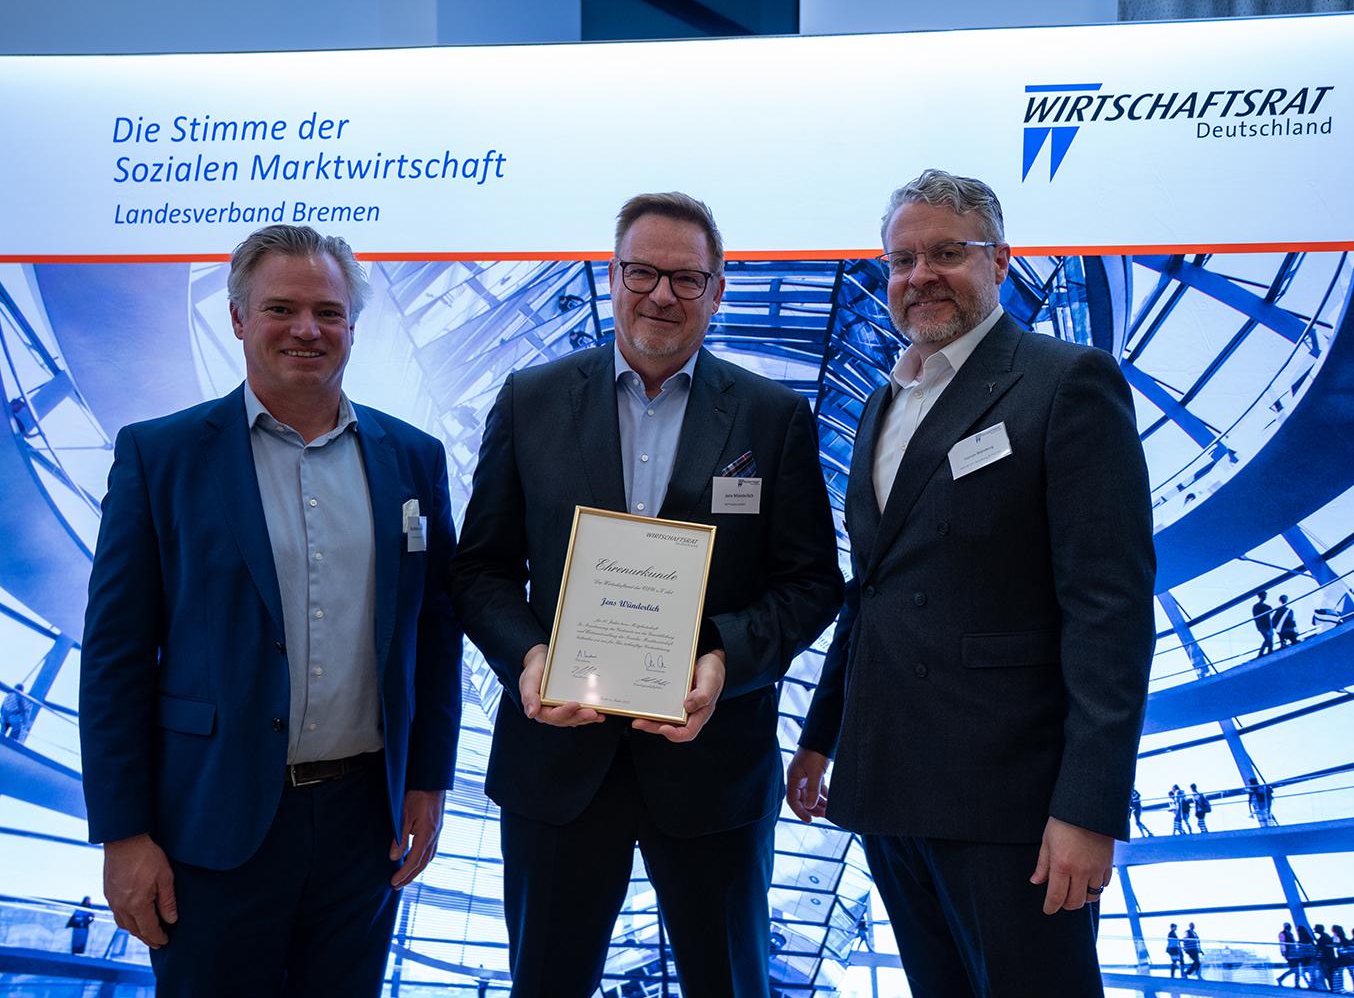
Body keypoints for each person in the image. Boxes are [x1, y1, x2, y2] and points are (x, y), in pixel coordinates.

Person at [450, 192, 843, 998]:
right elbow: (480, 568)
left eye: (686, 278)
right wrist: (529, 657)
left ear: (717, 290)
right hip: (555, 764)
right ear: (612, 275)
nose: (662, 294)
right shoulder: (530, 400)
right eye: (642, 273)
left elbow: (811, 584)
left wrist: (723, 659)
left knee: (730, 984)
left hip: (714, 766)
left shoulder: (772, 418)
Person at [789, 169, 1155, 997]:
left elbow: (1110, 609)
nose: (920, 276)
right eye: (902, 260)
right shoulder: (883, 405)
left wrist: (1089, 807)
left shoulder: (1067, 382)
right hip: (890, 782)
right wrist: (821, 734)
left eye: (947, 253)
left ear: (1000, 260)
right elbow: (871, 591)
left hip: (1010, 800)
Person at [79, 225, 463, 997]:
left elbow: (434, 633)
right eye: (281, 308)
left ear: (353, 325)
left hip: (363, 827)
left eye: (328, 311)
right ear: (237, 318)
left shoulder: (414, 459)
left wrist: (427, 780)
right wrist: (123, 835)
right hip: (209, 826)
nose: (306, 329)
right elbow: (116, 657)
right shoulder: (161, 457)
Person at [1314, 924, 1338, 991]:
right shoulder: (1325, 936)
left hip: (1327, 958)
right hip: (1328, 958)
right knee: (1328, 973)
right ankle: (1332, 987)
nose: (1315, 930)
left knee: (1328, 973)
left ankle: (1332, 987)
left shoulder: (1324, 937)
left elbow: (1321, 947)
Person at [1252, 590, 1275, 657]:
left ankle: (1270, 650)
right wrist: (1259, 626)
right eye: (1263, 595)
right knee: (1267, 638)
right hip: (1262, 625)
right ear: (1260, 596)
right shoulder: (1256, 606)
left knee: (1270, 638)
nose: (1265, 597)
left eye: (1265, 595)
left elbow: (1271, 611)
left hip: (1268, 625)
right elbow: (1256, 617)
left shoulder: (1267, 606)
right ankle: (1261, 653)